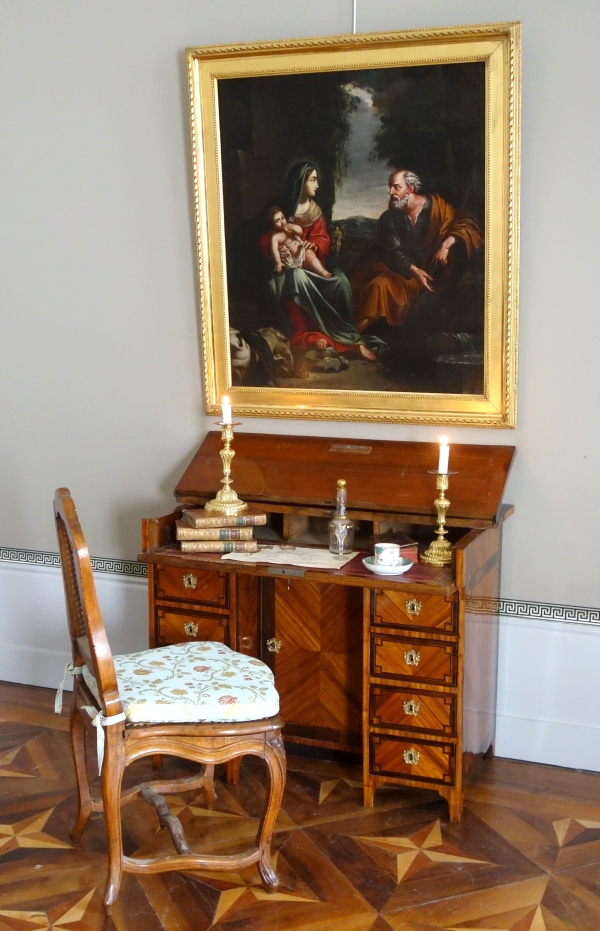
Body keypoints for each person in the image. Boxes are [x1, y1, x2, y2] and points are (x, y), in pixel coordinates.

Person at [259, 162, 387, 359]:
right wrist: (278, 252)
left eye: (316, 179)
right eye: (312, 180)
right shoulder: (282, 210)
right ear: (301, 183)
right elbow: (267, 237)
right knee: (298, 277)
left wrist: (315, 245)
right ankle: (316, 336)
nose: (317, 184)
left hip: (314, 261)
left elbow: (323, 238)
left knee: (342, 282)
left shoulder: (315, 211)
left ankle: (346, 335)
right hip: (291, 266)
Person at [351, 169, 483, 332]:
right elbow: (392, 252)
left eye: (396, 187)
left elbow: (466, 224)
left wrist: (446, 244)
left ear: (410, 189)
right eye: (390, 187)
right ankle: (350, 338)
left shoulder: (437, 207)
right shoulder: (389, 218)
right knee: (380, 285)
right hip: (404, 275)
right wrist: (414, 271)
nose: (391, 192)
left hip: (435, 274)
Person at [266, 207, 332, 279]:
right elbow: (274, 249)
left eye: (282, 218)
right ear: (273, 226)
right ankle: (322, 272)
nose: (282, 222)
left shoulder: (289, 227)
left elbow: (300, 232)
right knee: (309, 255)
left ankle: (322, 272)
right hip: (293, 260)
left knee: (310, 253)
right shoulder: (275, 236)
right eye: (277, 221)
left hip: (301, 253)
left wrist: (292, 227)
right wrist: (278, 262)